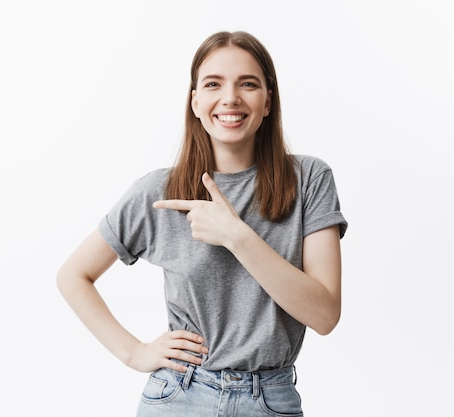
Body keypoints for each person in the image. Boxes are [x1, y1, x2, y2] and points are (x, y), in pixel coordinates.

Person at [57, 30, 348, 416]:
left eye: (248, 84)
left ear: (268, 102)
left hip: (270, 399)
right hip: (180, 394)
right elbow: (73, 275)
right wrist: (134, 352)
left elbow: (325, 315)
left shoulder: (309, 179)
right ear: (195, 101)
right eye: (213, 84)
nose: (230, 98)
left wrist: (237, 236)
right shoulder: (159, 191)